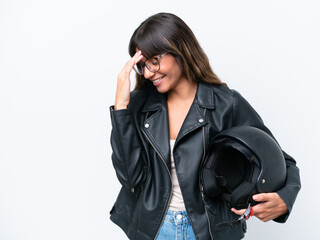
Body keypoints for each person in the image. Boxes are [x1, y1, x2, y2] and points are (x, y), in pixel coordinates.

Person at [109, 12, 301, 240]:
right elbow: (131, 178)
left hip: (209, 231)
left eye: (154, 60)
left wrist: (285, 198)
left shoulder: (225, 104)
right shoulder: (140, 105)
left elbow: (282, 160)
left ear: (179, 48)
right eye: (142, 65)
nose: (149, 73)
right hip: (154, 230)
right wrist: (121, 108)